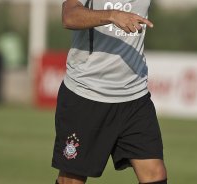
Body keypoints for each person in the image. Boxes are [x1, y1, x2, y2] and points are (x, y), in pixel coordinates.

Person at [52, 0, 167, 183]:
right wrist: (112, 15)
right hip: (86, 93)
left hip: (134, 95)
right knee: (72, 179)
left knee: (155, 174)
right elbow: (69, 16)